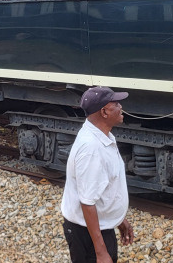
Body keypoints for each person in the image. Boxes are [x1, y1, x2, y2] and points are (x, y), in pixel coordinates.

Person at [60, 86, 135, 263]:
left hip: (97, 227)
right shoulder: (91, 149)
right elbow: (87, 202)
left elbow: (104, 187)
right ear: (104, 112)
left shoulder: (102, 136)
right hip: (87, 233)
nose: (121, 107)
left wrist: (119, 219)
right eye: (116, 104)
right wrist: (100, 252)